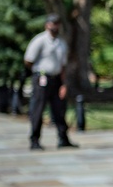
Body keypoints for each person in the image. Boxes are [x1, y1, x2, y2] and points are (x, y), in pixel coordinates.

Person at [24, 14, 77, 150]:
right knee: (38, 109)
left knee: (59, 109)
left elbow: (63, 66)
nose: (55, 26)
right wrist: (39, 72)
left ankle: (63, 138)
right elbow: (28, 60)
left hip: (56, 79)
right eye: (52, 23)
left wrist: (64, 84)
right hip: (41, 78)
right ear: (47, 25)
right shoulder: (40, 40)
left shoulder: (61, 43)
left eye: (57, 23)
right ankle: (34, 139)